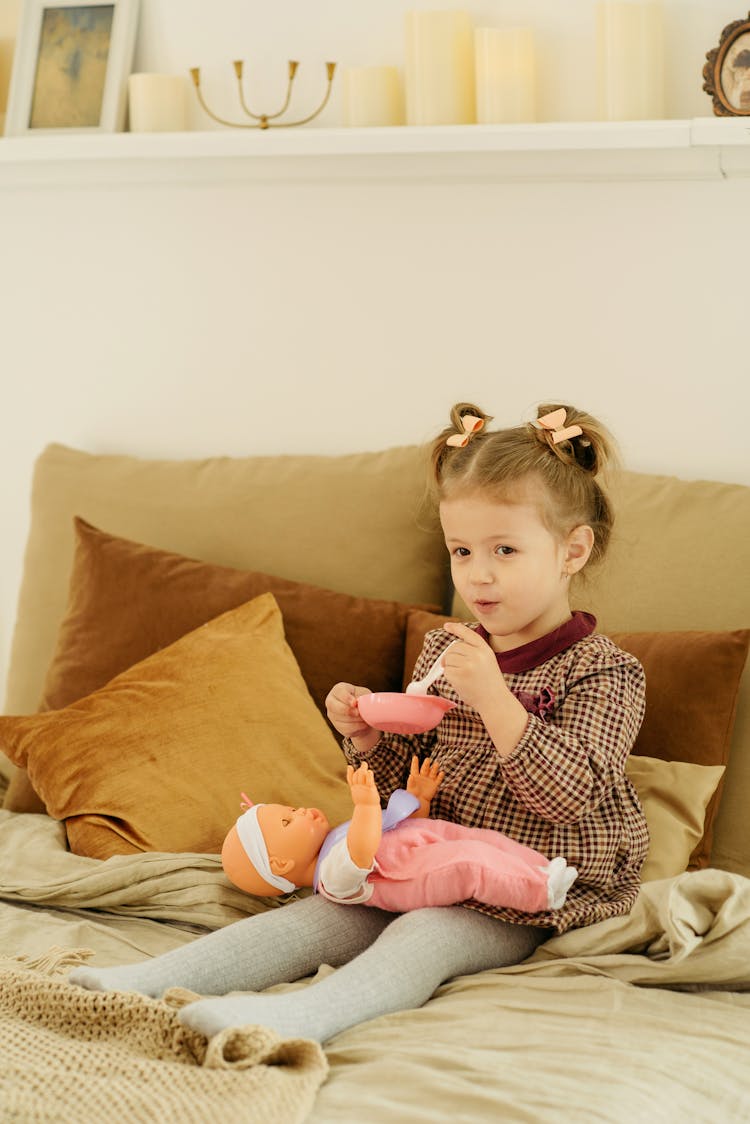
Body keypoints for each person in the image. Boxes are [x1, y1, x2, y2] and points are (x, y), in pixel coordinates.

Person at [70, 401, 649, 1045]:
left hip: (535, 881)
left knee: (425, 935)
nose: (477, 574)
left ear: (572, 550)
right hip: (428, 857)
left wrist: (494, 697)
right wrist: (369, 739)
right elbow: (397, 792)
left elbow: (567, 796)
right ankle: (148, 978)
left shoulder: (603, 672)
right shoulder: (443, 653)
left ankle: (297, 1020)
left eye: (505, 550)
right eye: (461, 550)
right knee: (324, 914)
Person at [221, 758, 578, 913]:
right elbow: (363, 852)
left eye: (290, 809)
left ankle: (543, 869)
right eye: (287, 822)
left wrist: (419, 800)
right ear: (281, 863)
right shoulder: (331, 877)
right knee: (470, 862)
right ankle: (540, 891)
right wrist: (365, 805)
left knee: (481, 840)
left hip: (424, 840)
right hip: (418, 874)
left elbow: (397, 830)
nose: (299, 811)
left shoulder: (333, 841)